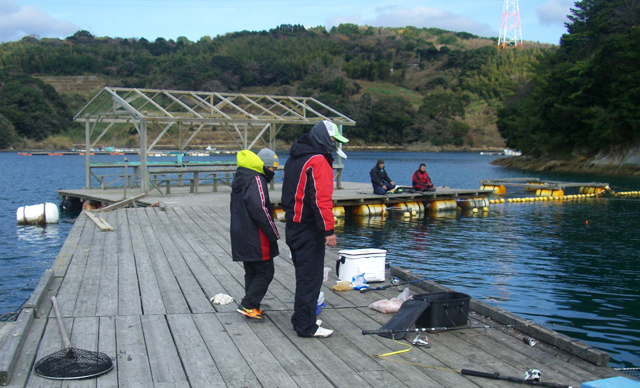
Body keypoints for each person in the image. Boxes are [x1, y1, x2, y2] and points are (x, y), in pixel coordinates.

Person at [281, 120, 348, 338]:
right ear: (322, 138)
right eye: (332, 139)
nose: (334, 144)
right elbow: (321, 199)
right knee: (311, 279)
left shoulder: (295, 156)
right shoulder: (318, 160)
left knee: (304, 276)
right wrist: (328, 230)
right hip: (309, 228)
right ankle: (306, 327)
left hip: (293, 225)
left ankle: (300, 318)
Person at [230, 148, 281, 320]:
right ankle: (248, 304)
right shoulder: (257, 179)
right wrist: (273, 232)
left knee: (251, 271)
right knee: (266, 272)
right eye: (273, 169)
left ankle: (252, 307)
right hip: (256, 236)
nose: (273, 172)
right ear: (265, 166)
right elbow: (261, 208)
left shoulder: (241, 177)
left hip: (241, 233)